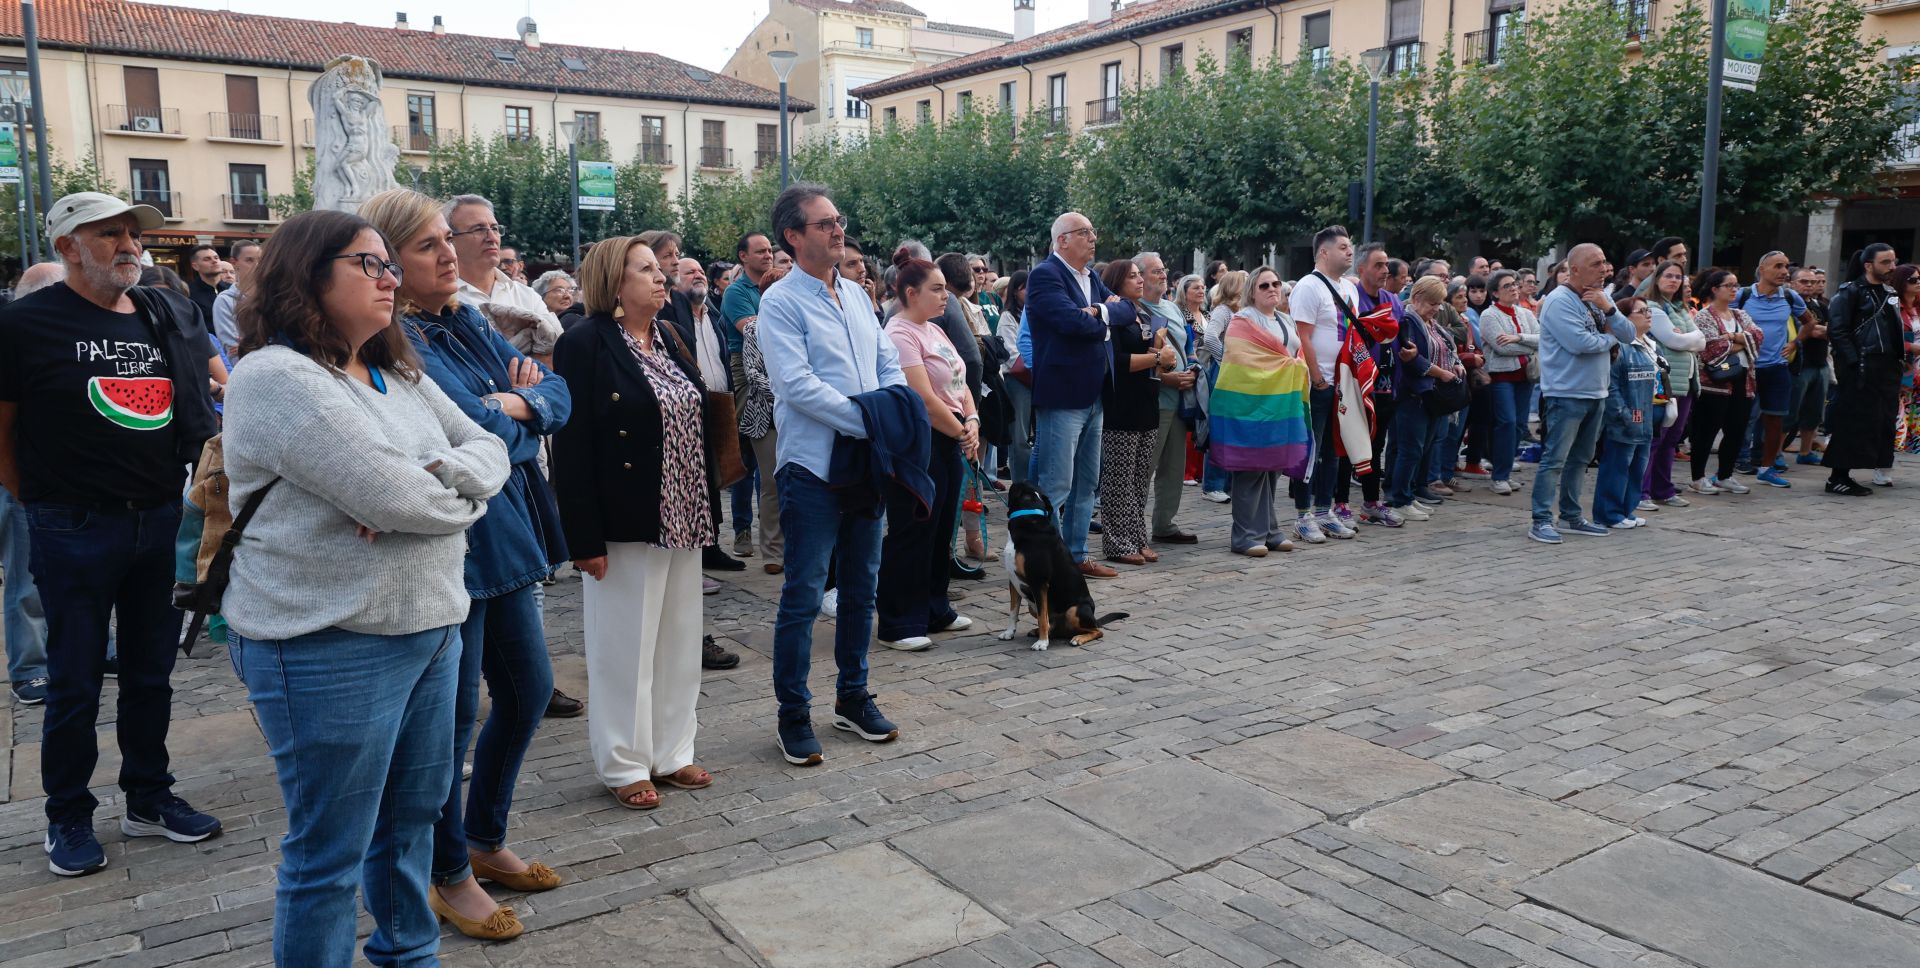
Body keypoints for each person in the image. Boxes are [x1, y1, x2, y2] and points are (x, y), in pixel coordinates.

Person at [222, 209, 510, 963]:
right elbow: (396, 499)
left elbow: (489, 440)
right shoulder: (277, 376)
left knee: (410, 824)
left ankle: (409, 954)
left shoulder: (398, 370)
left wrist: (443, 480)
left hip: (430, 631)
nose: (389, 279)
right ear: (308, 273)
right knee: (329, 853)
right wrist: (429, 494)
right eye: (369, 264)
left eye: (390, 265)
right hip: (327, 643)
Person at [360, 188, 573, 939]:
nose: (450, 254)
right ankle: (447, 874)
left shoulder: (467, 320)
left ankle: (484, 837)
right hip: (453, 546)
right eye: (430, 245)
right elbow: (470, 432)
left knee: (529, 691)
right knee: (452, 723)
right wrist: (515, 413)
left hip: (505, 533)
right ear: (387, 259)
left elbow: (556, 392)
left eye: (450, 241)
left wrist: (520, 406)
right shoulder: (396, 340)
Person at [0, 192, 223, 877]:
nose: (130, 245)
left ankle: (148, 797)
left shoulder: (163, 312)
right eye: (109, 235)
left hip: (157, 515)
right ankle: (67, 813)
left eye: (133, 234)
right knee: (73, 680)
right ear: (68, 245)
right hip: (73, 523)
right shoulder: (26, 324)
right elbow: (2, 428)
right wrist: (37, 501)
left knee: (151, 672)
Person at [552, 233, 719, 806]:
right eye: (645, 269)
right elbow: (570, 447)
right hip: (623, 516)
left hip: (684, 508)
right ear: (613, 282)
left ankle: (673, 751)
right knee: (623, 645)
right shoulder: (585, 343)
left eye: (658, 268)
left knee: (677, 639)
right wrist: (583, 535)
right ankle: (624, 764)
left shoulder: (669, 336)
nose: (660, 277)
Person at [759, 183, 910, 766]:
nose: (836, 229)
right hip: (814, 465)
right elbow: (795, 386)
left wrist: (888, 408)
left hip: (865, 462)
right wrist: (867, 420)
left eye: (838, 220)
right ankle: (792, 712)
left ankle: (853, 697)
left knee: (862, 586)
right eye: (823, 223)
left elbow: (886, 362)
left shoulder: (854, 295)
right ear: (794, 236)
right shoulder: (781, 302)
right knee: (803, 594)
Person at [875, 253, 977, 650]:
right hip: (920, 441)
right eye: (936, 290)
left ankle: (936, 607)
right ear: (909, 293)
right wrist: (960, 430)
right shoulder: (900, 333)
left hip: (950, 436)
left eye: (945, 289)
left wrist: (972, 422)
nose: (945, 296)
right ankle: (898, 621)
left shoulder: (934, 329)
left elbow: (959, 381)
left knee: (940, 529)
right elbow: (922, 396)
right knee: (913, 528)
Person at [1021, 212, 1119, 580]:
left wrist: (1098, 312)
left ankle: (1077, 556)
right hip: (1063, 395)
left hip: (1094, 395)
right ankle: (1050, 562)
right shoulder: (1046, 275)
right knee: (1056, 485)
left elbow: (1124, 309)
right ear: (1062, 240)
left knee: (1086, 484)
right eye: (1084, 233)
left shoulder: (1090, 276)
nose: (1093, 238)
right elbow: (1069, 322)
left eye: (1094, 231)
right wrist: (1102, 320)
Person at [1527, 243, 1635, 544]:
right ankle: (1541, 520)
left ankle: (1572, 516)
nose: (1604, 269)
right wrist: (1609, 338)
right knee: (1555, 459)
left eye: (1604, 262)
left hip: (1596, 391)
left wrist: (1610, 310)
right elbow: (1579, 344)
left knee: (1581, 459)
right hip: (1565, 392)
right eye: (1596, 264)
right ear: (1574, 269)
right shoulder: (1559, 301)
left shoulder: (1601, 298)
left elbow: (1629, 334)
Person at [2, 263, 64, 706]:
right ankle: (30, 667)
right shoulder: (15, 339)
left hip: (67, 482)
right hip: (26, 481)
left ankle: (99, 649)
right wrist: (18, 486)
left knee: (84, 576)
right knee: (26, 580)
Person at [1217, 266, 1304, 556]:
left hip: (1282, 403)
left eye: (1276, 284)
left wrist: (1295, 368)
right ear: (1252, 291)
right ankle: (1244, 535)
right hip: (1250, 405)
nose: (1272, 289)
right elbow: (1241, 358)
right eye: (1264, 285)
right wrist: (1287, 366)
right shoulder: (1243, 320)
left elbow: (1296, 354)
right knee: (1251, 469)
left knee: (1272, 468)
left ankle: (1270, 530)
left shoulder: (1285, 319)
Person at [1095, 258, 1169, 566]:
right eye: (1133, 276)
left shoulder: (1144, 314)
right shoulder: (1112, 315)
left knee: (1140, 479)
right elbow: (1119, 361)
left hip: (1147, 401)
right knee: (1118, 479)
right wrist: (1156, 358)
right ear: (1116, 282)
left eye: (1141, 275)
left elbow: (1152, 354)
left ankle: (1138, 537)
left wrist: (1165, 357)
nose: (1140, 281)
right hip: (1121, 404)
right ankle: (1115, 542)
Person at [1287, 226, 1358, 545]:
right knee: (1310, 449)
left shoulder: (1349, 289)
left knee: (1334, 452)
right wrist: (1317, 377)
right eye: (1342, 246)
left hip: (1343, 383)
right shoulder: (1308, 287)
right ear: (1324, 252)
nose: (1349, 251)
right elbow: (1303, 335)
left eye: (1350, 246)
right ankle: (1303, 516)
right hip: (1317, 382)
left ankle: (1324, 511)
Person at [1823, 244, 1904, 495]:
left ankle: (1869, 469)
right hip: (1861, 365)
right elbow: (1837, 330)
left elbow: (1893, 329)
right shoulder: (1850, 291)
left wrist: (1899, 358)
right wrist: (1852, 362)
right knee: (1853, 420)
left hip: (1886, 366)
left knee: (1879, 421)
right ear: (1868, 265)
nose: (1892, 266)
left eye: (1893, 261)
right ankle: (1838, 476)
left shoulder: (1889, 292)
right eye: (1885, 262)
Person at [721, 231, 778, 563]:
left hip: (777, 369)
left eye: (770, 250)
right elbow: (753, 329)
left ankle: (772, 536)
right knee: (750, 453)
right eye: (760, 251)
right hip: (747, 369)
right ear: (743, 256)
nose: (768, 255)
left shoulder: (777, 289)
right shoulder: (736, 292)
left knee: (769, 464)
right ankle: (743, 529)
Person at [1135, 252, 1199, 545]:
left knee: (1174, 465)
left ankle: (1164, 523)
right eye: (1155, 271)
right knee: (1145, 465)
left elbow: (1188, 345)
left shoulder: (1172, 308)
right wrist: (1168, 378)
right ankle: (1132, 525)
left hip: (1180, 398)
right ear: (1140, 276)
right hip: (1155, 399)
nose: (1163, 275)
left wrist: (1193, 370)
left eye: (1164, 270)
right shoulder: (1135, 309)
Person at [1386, 277, 1463, 521]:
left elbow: (1448, 348)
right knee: (1409, 450)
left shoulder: (1429, 322)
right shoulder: (1409, 321)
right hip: (1413, 395)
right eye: (1433, 303)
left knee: (1421, 449)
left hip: (1429, 396)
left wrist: (1456, 365)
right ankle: (1400, 498)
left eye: (1439, 303)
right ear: (1417, 298)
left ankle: (1409, 495)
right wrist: (1441, 373)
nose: (1437, 308)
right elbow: (1410, 359)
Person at [1687, 268, 1764, 497]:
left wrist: (1731, 338)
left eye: (1736, 285)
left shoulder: (1740, 314)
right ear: (1714, 289)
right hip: (1714, 382)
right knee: (1706, 431)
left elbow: (1758, 336)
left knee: (1736, 430)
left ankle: (1724, 475)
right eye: (1728, 285)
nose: (1734, 290)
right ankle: (1698, 478)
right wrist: (1739, 340)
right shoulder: (1704, 316)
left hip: (1744, 380)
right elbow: (1711, 348)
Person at [1736, 252, 1809, 488]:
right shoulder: (1743, 295)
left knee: (1775, 420)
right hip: (1747, 367)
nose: (1784, 272)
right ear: (1762, 268)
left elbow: (1810, 322)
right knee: (1738, 418)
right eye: (1778, 266)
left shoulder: (1789, 296)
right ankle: (1730, 466)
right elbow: (1720, 317)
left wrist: (1795, 342)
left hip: (1777, 368)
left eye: (1786, 266)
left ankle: (1766, 468)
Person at [1638, 260, 1705, 508]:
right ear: (1656, 279)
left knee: (1671, 439)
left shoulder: (1679, 308)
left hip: (1685, 381)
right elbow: (1673, 341)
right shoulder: (1653, 308)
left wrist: (1687, 337)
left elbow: (1701, 340)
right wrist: (1687, 338)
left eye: (1678, 277)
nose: (1674, 281)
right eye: (1669, 276)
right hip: (1664, 382)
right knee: (1656, 438)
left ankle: (1662, 489)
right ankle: (1641, 492)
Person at [1593, 297, 1660, 529]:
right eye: (1642, 311)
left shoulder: (1649, 345)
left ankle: (1626, 510)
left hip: (1646, 415)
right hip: (1627, 417)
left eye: (1648, 309)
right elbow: (1611, 386)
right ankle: (1609, 513)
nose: (1648, 314)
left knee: (1637, 466)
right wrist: (1624, 414)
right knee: (1618, 466)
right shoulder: (1618, 347)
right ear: (1625, 318)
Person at [1479, 270, 1538, 497]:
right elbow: (1501, 347)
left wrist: (1519, 338)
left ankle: (1506, 471)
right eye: (1507, 286)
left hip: (1526, 376)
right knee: (1507, 422)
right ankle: (1500, 476)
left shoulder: (1525, 313)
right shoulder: (1489, 316)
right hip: (1502, 377)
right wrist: (1528, 344)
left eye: (1514, 284)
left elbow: (1543, 339)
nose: (1513, 288)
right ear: (1495, 292)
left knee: (1519, 426)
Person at [1199, 269, 1249, 504]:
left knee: (1233, 428)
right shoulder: (1223, 311)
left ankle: (1226, 481)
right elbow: (1210, 338)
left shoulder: (1240, 312)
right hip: (1224, 373)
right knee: (1221, 428)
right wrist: (1226, 360)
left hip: (1236, 373)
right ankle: (1213, 484)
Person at [1784, 266, 1831, 462]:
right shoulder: (1789, 304)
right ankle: (1776, 453)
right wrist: (1823, 330)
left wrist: (1823, 329)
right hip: (1799, 366)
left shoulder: (1820, 305)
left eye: (1812, 282)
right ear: (1792, 284)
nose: (1810, 286)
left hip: (1820, 364)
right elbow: (1814, 331)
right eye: (1804, 282)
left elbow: (1829, 329)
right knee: (1790, 412)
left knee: (1814, 411)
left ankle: (1805, 452)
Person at [999, 269, 1034, 484]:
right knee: (1019, 437)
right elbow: (1013, 358)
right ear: (1014, 292)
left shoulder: (1036, 313)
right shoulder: (1008, 317)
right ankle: (1021, 486)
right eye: (1025, 288)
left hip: (1037, 378)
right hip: (1019, 380)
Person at [211, 239, 261, 354]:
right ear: (234, 262)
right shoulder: (225, 300)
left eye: (260, 260)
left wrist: (249, 346)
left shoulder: (272, 295)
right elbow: (232, 349)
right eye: (250, 260)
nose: (257, 265)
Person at [185, 243, 223, 320]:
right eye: (207, 259)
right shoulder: (188, 294)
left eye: (216, 258)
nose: (214, 261)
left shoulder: (232, 289)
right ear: (195, 266)